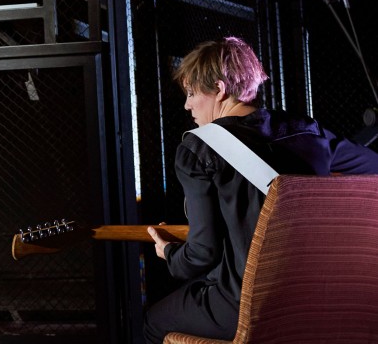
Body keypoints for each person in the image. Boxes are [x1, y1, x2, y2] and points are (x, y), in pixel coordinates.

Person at [143, 36, 378, 343]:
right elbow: (372, 165)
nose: (187, 104)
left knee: (153, 323)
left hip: (248, 304)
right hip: (320, 297)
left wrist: (170, 253)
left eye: (191, 93)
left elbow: (202, 254)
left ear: (219, 89)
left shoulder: (198, 148)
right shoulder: (306, 130)